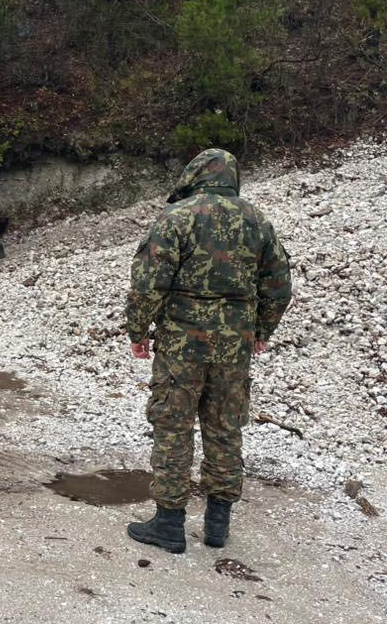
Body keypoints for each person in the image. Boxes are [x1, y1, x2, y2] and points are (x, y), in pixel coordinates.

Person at [124, 148, 292, 554]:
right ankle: (217, 525)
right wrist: (261, 329)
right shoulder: (257, 220)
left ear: (195, 174)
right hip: (235, 348)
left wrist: (137, 330)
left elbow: (149, 281)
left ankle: (169, 524)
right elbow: (279, 285)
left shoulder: (177, 217)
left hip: (182, 345)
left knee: (173, 428)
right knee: (225, 429)